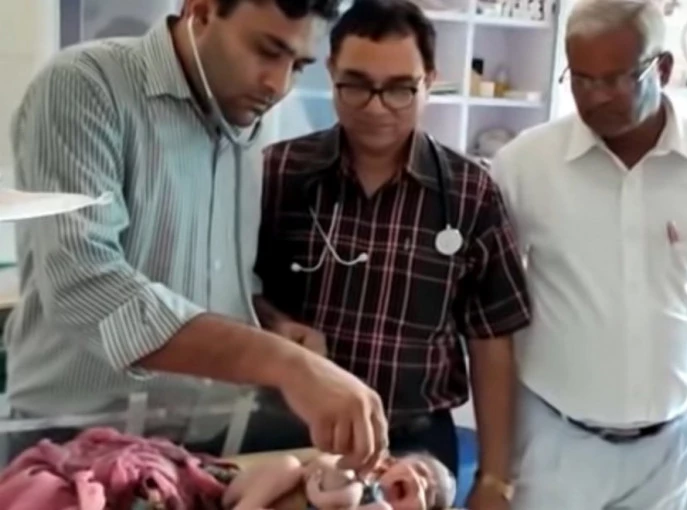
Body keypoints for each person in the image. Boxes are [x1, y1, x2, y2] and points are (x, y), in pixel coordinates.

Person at [3, 0, 388, 470]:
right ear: (201, 10)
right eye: (267, 51)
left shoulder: (245, 116)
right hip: (70, 450)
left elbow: (212, 278)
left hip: (203, 442)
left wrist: (270, 325)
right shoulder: (85, 85)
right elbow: (86, 286)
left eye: (299, 65)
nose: (279, 85)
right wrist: (286, 364)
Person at [252, 0, 530, 508]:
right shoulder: (278, 174)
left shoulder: (470, 195)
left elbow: (492, 340)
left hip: (416, 446)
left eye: (400, 88)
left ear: (431, 81)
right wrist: (277, 324)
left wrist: (494, 478)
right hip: (292, 436)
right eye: (357, 85)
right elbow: (233, 292)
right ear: (331, 73)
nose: (377, 108)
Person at [490, 0, 687, 509]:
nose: (594, 97)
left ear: (664, 69)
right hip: (558, 445)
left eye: (614, 79)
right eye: (581, 79)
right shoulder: (523, 166)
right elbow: (495, 307)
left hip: (675, 449)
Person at [224, 450, 456, 510]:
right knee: (287, 465)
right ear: (389, 463)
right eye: (419, 471)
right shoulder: (359, 470)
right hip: (260, 495)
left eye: (428, 494)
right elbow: (320, 466)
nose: (422, 483)